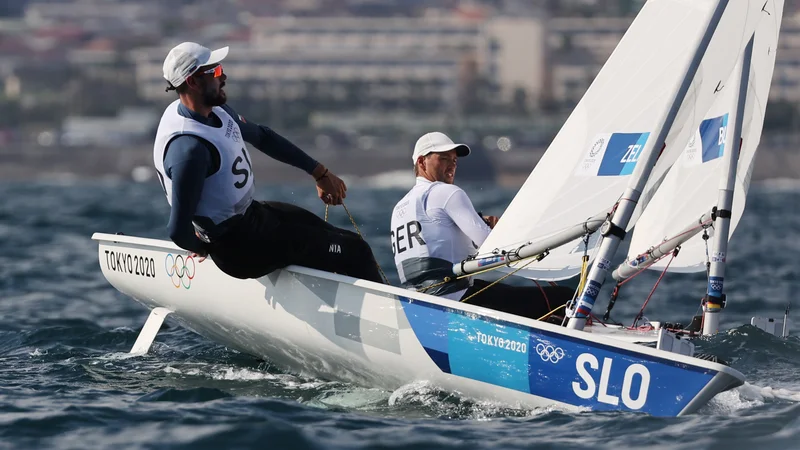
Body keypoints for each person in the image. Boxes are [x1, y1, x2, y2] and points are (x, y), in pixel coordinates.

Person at [153, 42, 383, 283]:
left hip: (254, 217)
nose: (225, 77)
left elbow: (262, 137)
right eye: (217, 72)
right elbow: (178, 230)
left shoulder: (215, 111)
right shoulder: (190, 150)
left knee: (340, 237)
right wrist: (203, 250)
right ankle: (391, 316)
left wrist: (319, 173)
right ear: (193, 82)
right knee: (358, 252)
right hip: (242, 248)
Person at [389, 131, 572, 320]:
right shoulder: (447, 192)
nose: (451, 165)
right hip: (455, 300)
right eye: (443, 158)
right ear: (421, 162)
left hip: (419, 304)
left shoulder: (399, 207)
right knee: (564, 298)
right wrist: (499, 231)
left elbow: (435, 242)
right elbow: (488, 246)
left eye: (454, 160)